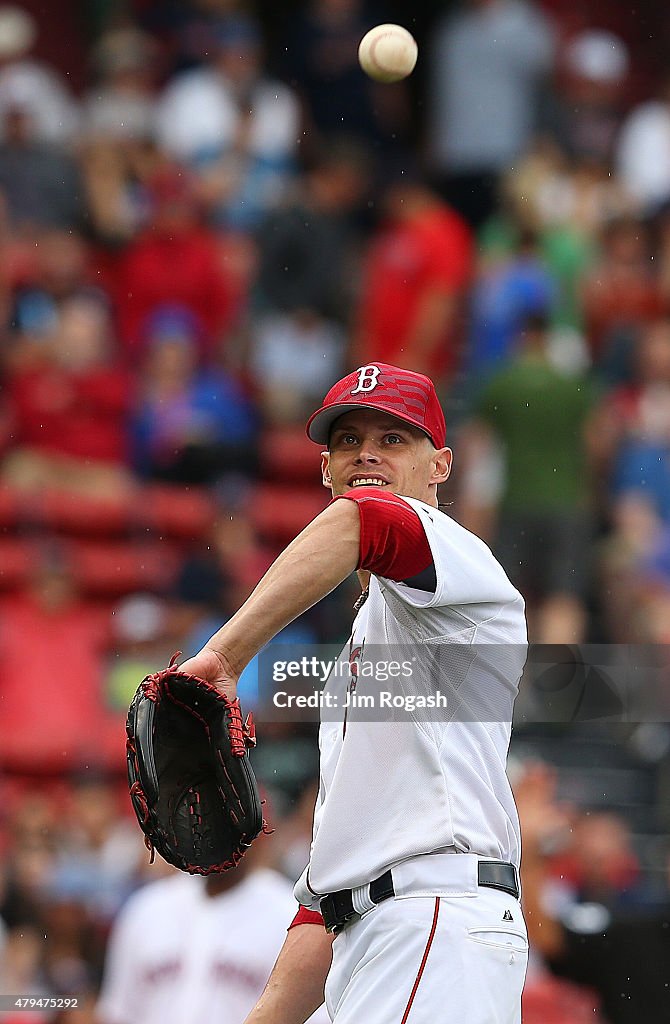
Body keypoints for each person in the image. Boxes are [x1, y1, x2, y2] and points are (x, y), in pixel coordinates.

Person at [179, 362, 529, 1023]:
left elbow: (363, 520)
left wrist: (225, 655)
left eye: (393, 439)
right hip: (381, 936)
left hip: (433, 923)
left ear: (441, 466)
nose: (365, 453)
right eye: (347, 441)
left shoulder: (461, 564)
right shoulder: (357, 665)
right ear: (323, 468)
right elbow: (327, 903)